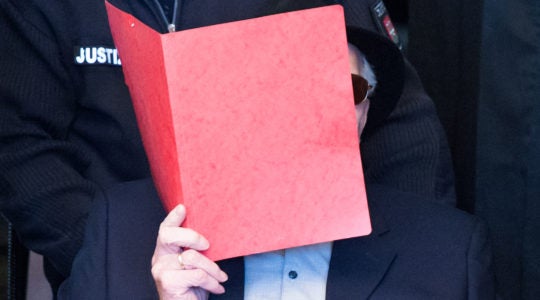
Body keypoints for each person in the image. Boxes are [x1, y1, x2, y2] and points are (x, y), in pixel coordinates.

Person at [0, 0, 455, 295]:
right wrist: (113, 255)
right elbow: (20, 148)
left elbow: (392, 117)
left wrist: (408, 261)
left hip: (279, 256)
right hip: (107, 249)